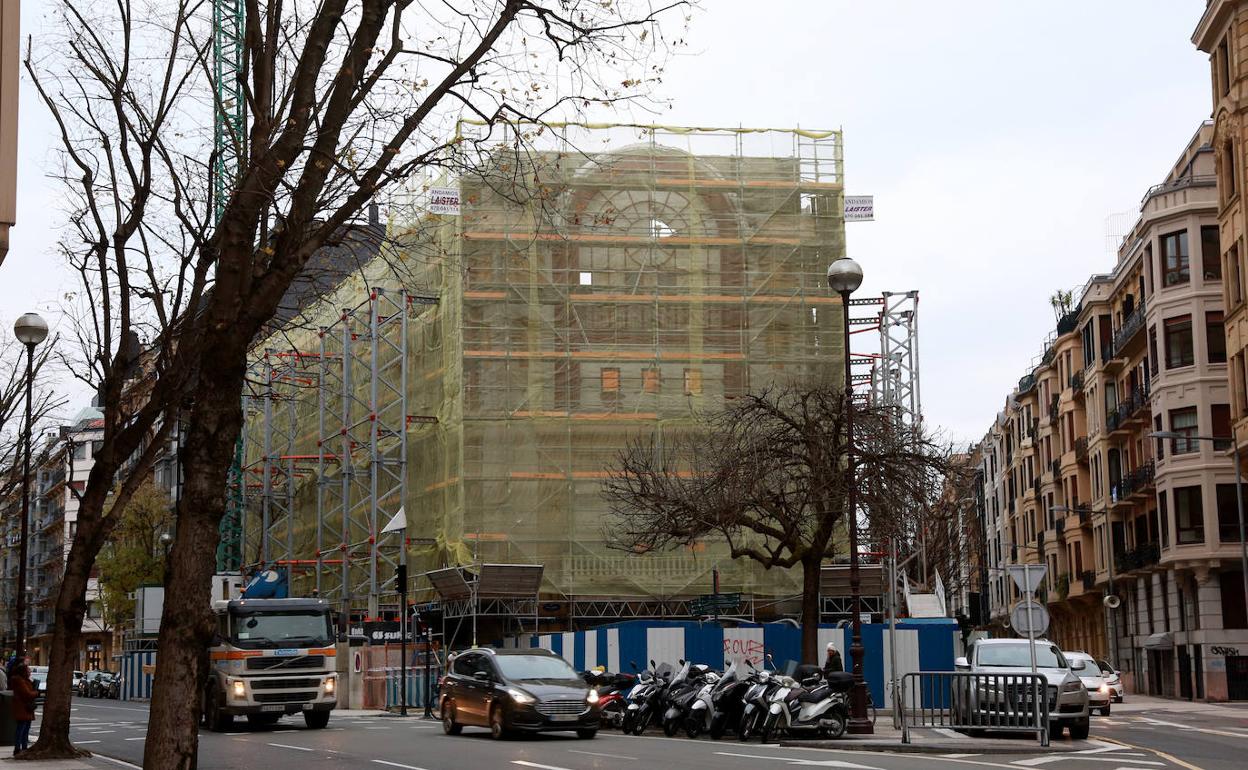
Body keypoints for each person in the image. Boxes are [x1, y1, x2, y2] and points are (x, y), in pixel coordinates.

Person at [10, 663, 37, 755]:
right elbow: (27, 693)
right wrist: (36, 693)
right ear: (23, 671)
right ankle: (18, 748)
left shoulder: (25, 680)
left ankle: (24, 748)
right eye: (28, 669)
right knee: (21, 729)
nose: (30, 671)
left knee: (25, 729)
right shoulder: (20, 681)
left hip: (25, 708)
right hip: (23, 708)